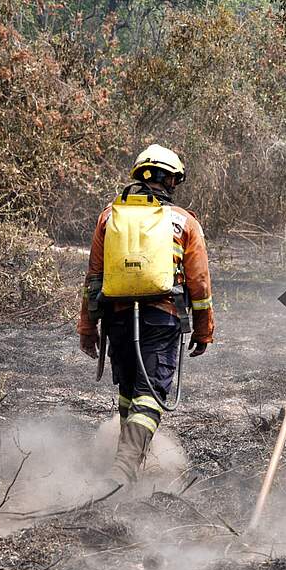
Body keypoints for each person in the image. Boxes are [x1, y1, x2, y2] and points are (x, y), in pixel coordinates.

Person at [77, 144, 214, 488]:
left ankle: (128, 464)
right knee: (150, 395)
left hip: (117, 318)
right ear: (171, 181)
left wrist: (87, 326)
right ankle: (122, 472)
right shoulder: (184, 222)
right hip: (162, 317)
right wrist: (203, 330)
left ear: (139, 176)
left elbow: (93, 276)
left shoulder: (109, 217)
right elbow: (198, 283)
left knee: (129, 391)